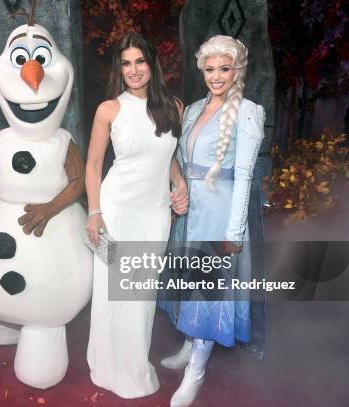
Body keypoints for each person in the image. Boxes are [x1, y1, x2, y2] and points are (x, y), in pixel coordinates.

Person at [159, 35, 266, 407]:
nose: (216, 76)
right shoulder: (190, 110)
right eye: (209, 69)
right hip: (191, 214)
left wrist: (234, 233)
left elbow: (246, 178)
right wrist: (179, 191)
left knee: (209, 289)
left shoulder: (249, 111)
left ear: (237, 70)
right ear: (201, 70)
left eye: (224, 68)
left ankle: (196, 373)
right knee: (191, 283)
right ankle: (190, 347)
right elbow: (181, 164)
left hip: (221, 216)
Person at [84, 32, 188, 399]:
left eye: (139, 61)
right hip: (115, 210)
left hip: (155, 214)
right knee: (113, 294)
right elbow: (94, 165)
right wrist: (94, 213)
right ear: (119, 68)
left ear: (152, 64)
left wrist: (180, 184)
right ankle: (108, 365)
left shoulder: (173, 106)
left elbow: (168, 155)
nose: (133, 70)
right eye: (126, 63)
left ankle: (132, 365)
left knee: (140, 296)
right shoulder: (109, 109)